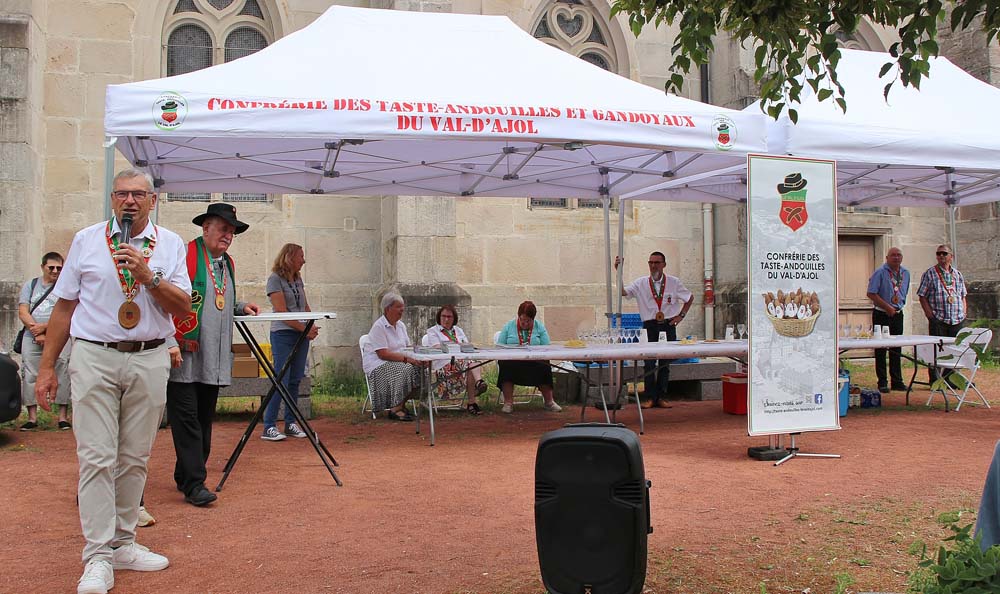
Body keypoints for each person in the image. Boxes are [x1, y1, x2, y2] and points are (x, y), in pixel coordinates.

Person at [34, 168, 192, 594]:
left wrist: (148, 276)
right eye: (122, 194)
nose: (129, 201)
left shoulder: (170, 243)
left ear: (152, 201)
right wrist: (47, 368)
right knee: (96, 458)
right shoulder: (87, 240)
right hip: (94, 356)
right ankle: (98, 556)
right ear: (112, 199)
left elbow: (183, 305)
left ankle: (124, 544)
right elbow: (64, 308)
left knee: (135, 457)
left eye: (138, 194)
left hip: (149, 356)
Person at [166, 204, 259, 506]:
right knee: (188, 420)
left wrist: (240, 306)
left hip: (212, 359)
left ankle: (185, 475)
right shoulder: (184, 256)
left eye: (232, 231)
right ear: (205, 228)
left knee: (204, 420)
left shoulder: (226, 264)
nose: (228, 235)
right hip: (184, 356)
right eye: (223, 229)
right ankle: (195, 484)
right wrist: (169, 341)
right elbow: (166, 298)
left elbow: (219, 299)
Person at [615, 252, 693, 408]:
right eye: (651, 262)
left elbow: (689, 297)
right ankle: (649, 397)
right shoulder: (640, 283)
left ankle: (662, 396)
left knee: (665, 363)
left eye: (657, 262)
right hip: (649, 325)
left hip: (668, 325)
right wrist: (619, 271)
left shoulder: (674, 282)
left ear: (664, 264)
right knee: (649, 362)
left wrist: (681, 316)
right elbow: (623, 292)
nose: (653, 266)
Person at [261, 243, 317, 441]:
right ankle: (269, 425)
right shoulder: (275, 279)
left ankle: (290, 422)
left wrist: (311, 324)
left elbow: (305, 305)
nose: (304, 260)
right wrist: (305, 329)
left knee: (295, 379)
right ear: (290, 257)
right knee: (282, 379)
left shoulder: (298, 278)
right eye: (301, 256)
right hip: (283, 334)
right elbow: (282, 312)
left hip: (301, 334)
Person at [17, 252, 72, 430]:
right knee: (30, 373)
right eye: (51, 267)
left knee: (63, 370)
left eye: (59, 268)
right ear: (43, 267)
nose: (55, 271)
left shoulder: (66, 286)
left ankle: (62, 417)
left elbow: (69, 313)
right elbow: (23, 311)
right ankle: (32, 418)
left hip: (59, 335)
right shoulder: (31, 285)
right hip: (32, 336)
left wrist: (46, 328)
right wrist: (37, 331)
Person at [363, 292, 425, 421]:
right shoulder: (379, 327)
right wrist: (407, 360)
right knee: (407, 369)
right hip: (377, 364)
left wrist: (420, 357)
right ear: (388, 309)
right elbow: (383, 354)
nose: (402, 309)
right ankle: (395, 409)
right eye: (398, 307)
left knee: (420, 369)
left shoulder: (401, 326)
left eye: (402, 306)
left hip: (398, 361)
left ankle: (400, 405)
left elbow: (407, 347)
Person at [494, 300, 562, 415]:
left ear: (533, 319)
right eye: (522, 320)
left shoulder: (539, 327)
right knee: (505, 365)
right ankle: (508, 402)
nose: (524, 323)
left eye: (528, 321)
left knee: (545, 366)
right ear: (518, 316)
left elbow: (547, 347)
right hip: (514, 362)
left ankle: (549, 402)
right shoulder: (509, 326)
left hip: (534, 362)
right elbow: (499, 346)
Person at [423, 304, 488, 415]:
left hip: (461, 365)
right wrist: (457, 345)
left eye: (449, 317)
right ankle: (477, 387)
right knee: (471, 364)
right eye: (444, 316)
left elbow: (466, 345)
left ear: (454, 319)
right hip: (443, 367)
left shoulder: (458, 330)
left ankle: (472, 400)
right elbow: (437, 347)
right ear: (439, 317)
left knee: (471, 364)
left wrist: (461, 346)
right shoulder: (433, 331)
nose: (446, 319)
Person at [917, 244, 968, 383]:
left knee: (954, 350)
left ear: (951, 256)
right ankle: (935, 380)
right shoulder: (930, 273)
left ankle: (949, 379)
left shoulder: (957, 274)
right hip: (939, 318)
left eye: (944, 253)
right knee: (936, 351)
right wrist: (930, 315)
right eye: (938, 253)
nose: (941, 256)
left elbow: (963, 295)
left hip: (956, 319)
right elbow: (922, 296)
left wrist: (963, 312)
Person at [866, 247, 910, 393]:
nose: (896, 258)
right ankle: (882, 382)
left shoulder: (905, 273)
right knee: (881, 348)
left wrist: (898, 307)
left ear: (902, 258)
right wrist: (887, 307)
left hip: (897, 314)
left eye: (898, 255)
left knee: (896, 348)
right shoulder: (880, 272)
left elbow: (903, 292)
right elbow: (871, 293)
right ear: (887, 258)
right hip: (882, 314)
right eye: (893, 255)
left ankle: (897, 381)